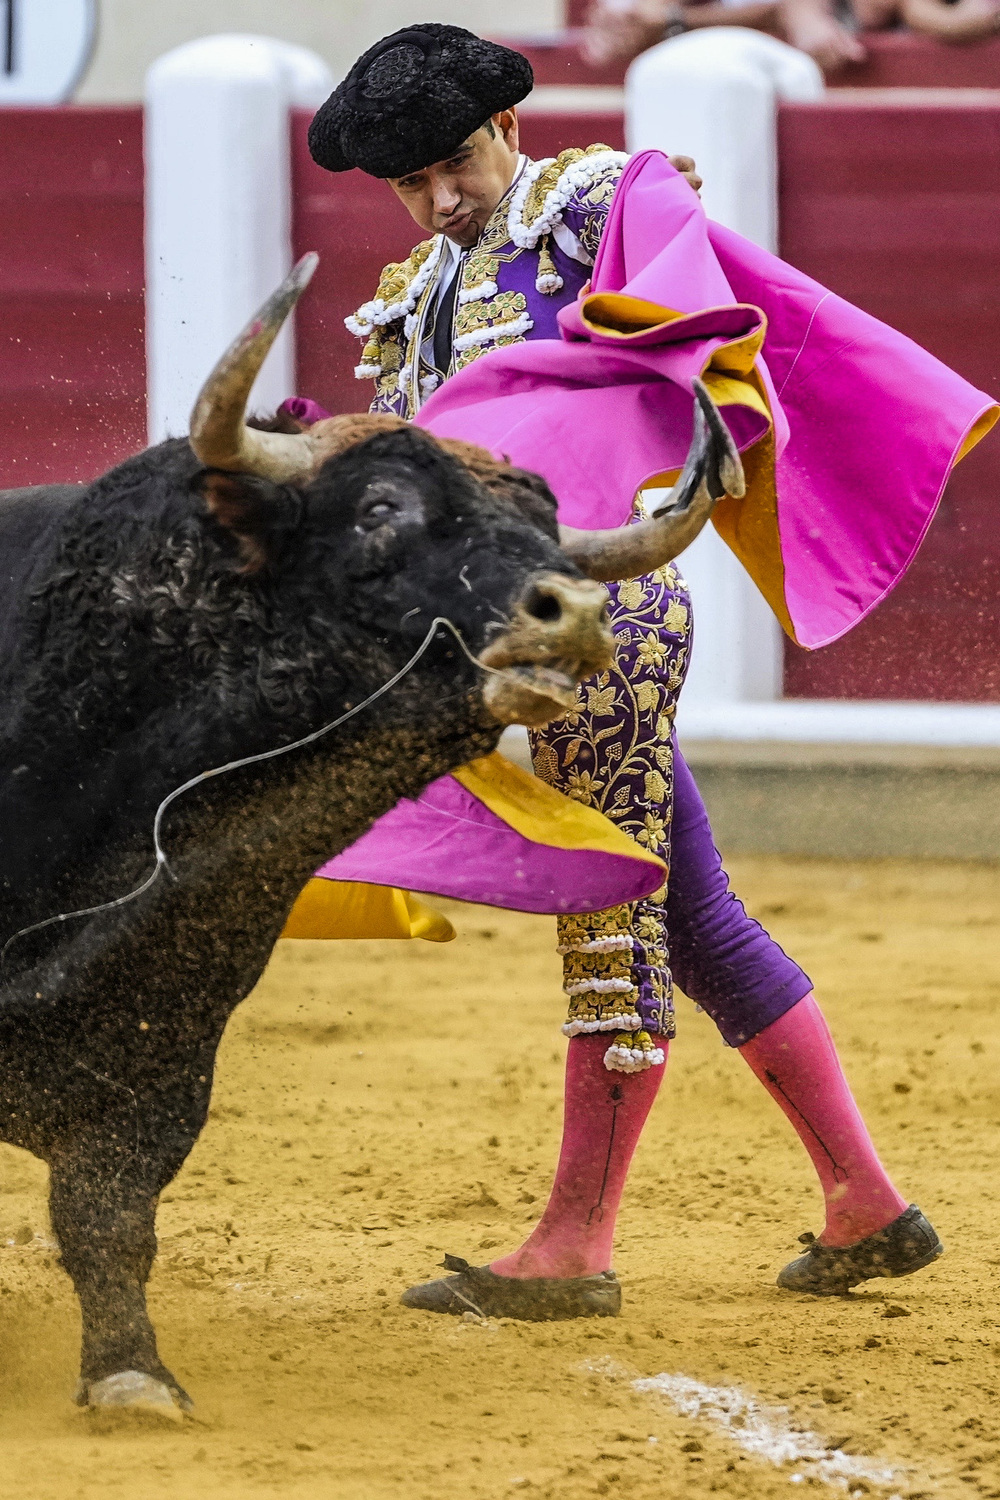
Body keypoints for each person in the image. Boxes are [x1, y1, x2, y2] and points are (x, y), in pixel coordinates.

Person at [302, 24, 944, 1318]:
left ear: (508, 131)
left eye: (455, 161)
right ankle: (866, 1206)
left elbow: (678, 299)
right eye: (411, 180)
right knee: (692, 916)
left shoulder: (584, 203)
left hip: (599, 615)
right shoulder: (422, 291)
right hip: (510, 639)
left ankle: (575, 1245)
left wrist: (662, 243)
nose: (439, 196)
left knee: (611, 924)